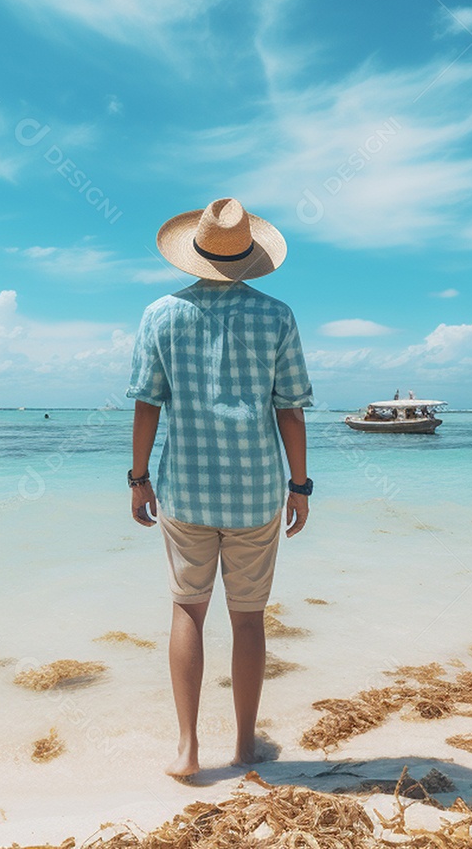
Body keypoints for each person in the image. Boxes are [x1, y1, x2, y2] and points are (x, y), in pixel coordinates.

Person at [127, 197, 313, 778]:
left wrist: (139, 479)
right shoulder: (277, 316)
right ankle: (244, 745)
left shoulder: (160, 314)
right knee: (249, 618)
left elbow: (147, 405)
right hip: (256, 491)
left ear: (194, 253)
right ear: (249, 256)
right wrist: (300, 485)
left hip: (185, 490)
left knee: (187, 610)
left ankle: (187, 749)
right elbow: (290, 412)